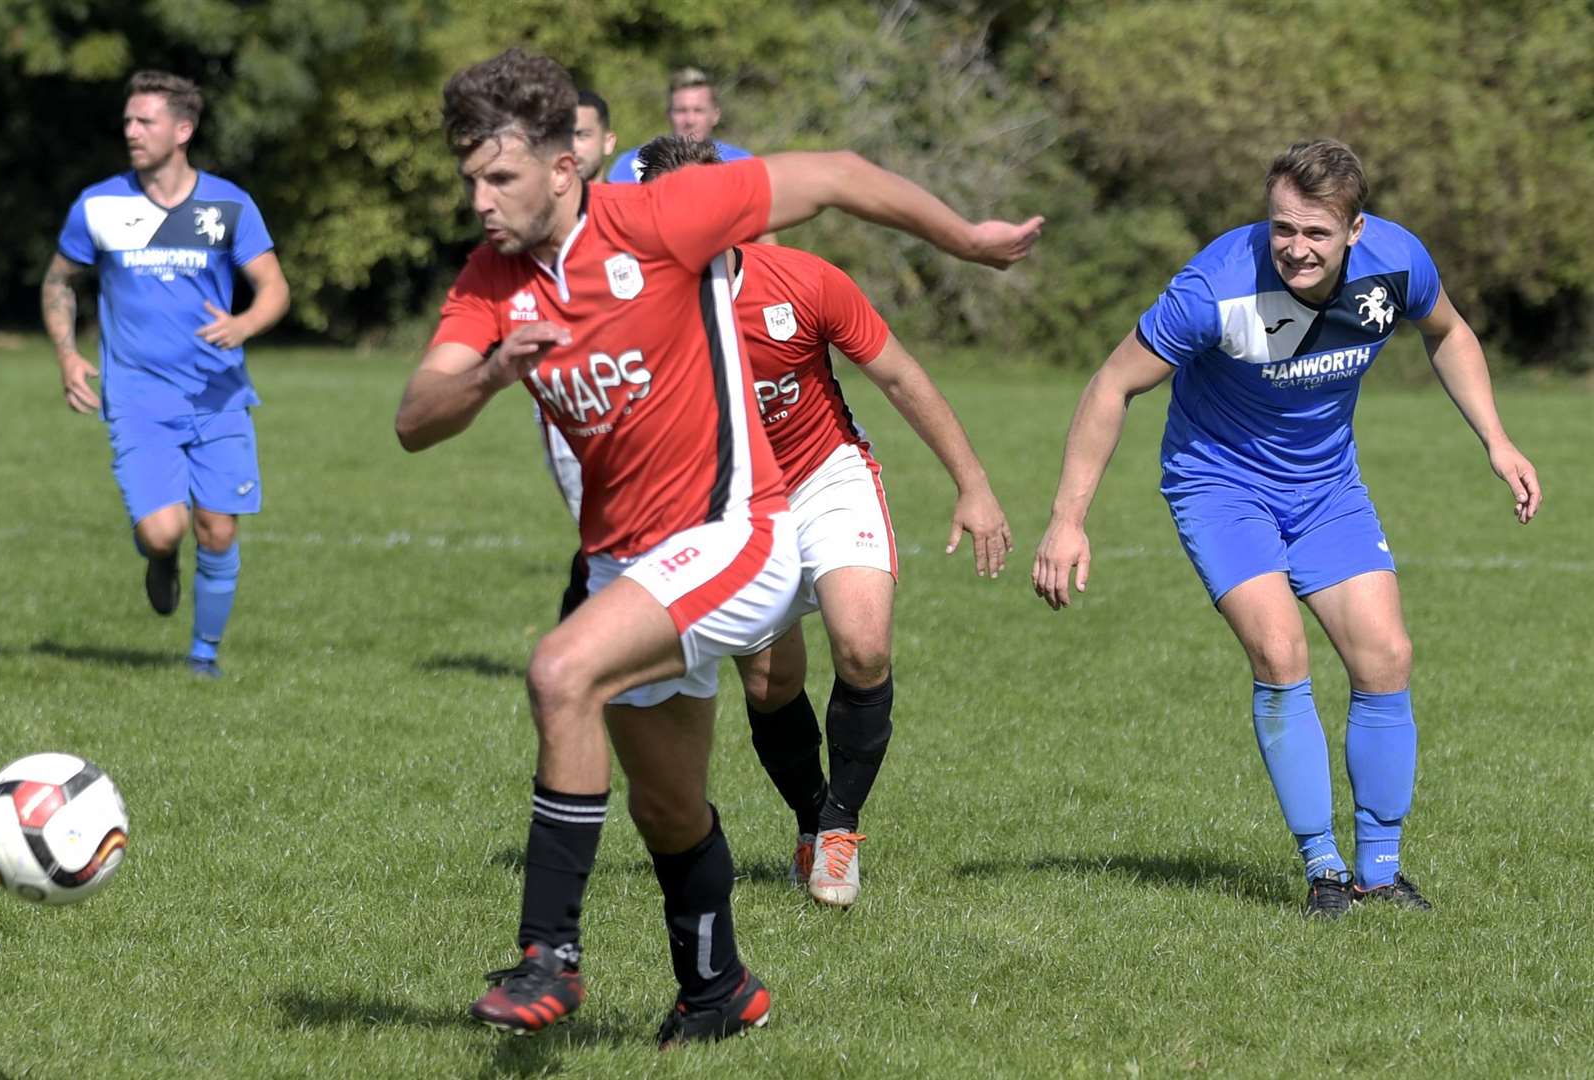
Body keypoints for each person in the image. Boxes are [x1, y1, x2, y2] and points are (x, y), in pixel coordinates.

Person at [395, 47, 1041, 1047]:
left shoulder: (655, 219)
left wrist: (968, 239)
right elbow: (414, 420)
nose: (479, 198)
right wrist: (487, 376)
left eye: (501, 177)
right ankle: (720, 991)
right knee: (668, 805)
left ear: (566, 166)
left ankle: (547, 956)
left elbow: (831, 173)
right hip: (628, 563)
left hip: (734, 534)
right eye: (469, 177)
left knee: (561, 670)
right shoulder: (495, 280)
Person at [1030, 139, 1541, 919]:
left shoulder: (1398, 264)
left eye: (1317, 233)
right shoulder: (1216, 286)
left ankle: (1380, 869)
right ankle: (1324, 869)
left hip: (1327, 488)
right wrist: (1068, 521)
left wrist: (1497, 440)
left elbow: (1450, 332)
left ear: (1355, 230)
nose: (1296, 248)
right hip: (1220, 486)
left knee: (1386, 654)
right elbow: (1112, 384)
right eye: (1283, 228)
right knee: (1280, 649)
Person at [625, 134, 1017, 910]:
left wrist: (973, 485)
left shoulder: (804, 284)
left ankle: (840, 827)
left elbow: (900, 376)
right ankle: (809, 818)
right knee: (773, 681)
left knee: (864, 646)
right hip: (729, 505)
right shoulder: (635, 312)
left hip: (823, 473)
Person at [40, 70, 290, 679]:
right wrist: (68, 354)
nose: (131, 131)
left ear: (183, 129)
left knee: (218, 531)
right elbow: (57, 283)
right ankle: (159, 558)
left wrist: (244, 325)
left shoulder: (228, 205)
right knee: (162, 532)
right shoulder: (99, 204)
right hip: (137, 396)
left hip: (220, 394)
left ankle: (203, 658)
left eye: (144, 121)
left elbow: (274, 289)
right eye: (127, 120)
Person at [606, 67, 752, 185]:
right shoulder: (632, 164)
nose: (690, 120)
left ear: (715, 115)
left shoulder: (742, 164)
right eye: (681, 111)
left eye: (698, 110)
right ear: (668, 114)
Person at [571, 89, 617, 185]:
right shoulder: (537, 199)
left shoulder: (626, 199)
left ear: (608, 143)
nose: (571, 147)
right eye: (563, 137)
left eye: (581, 136)